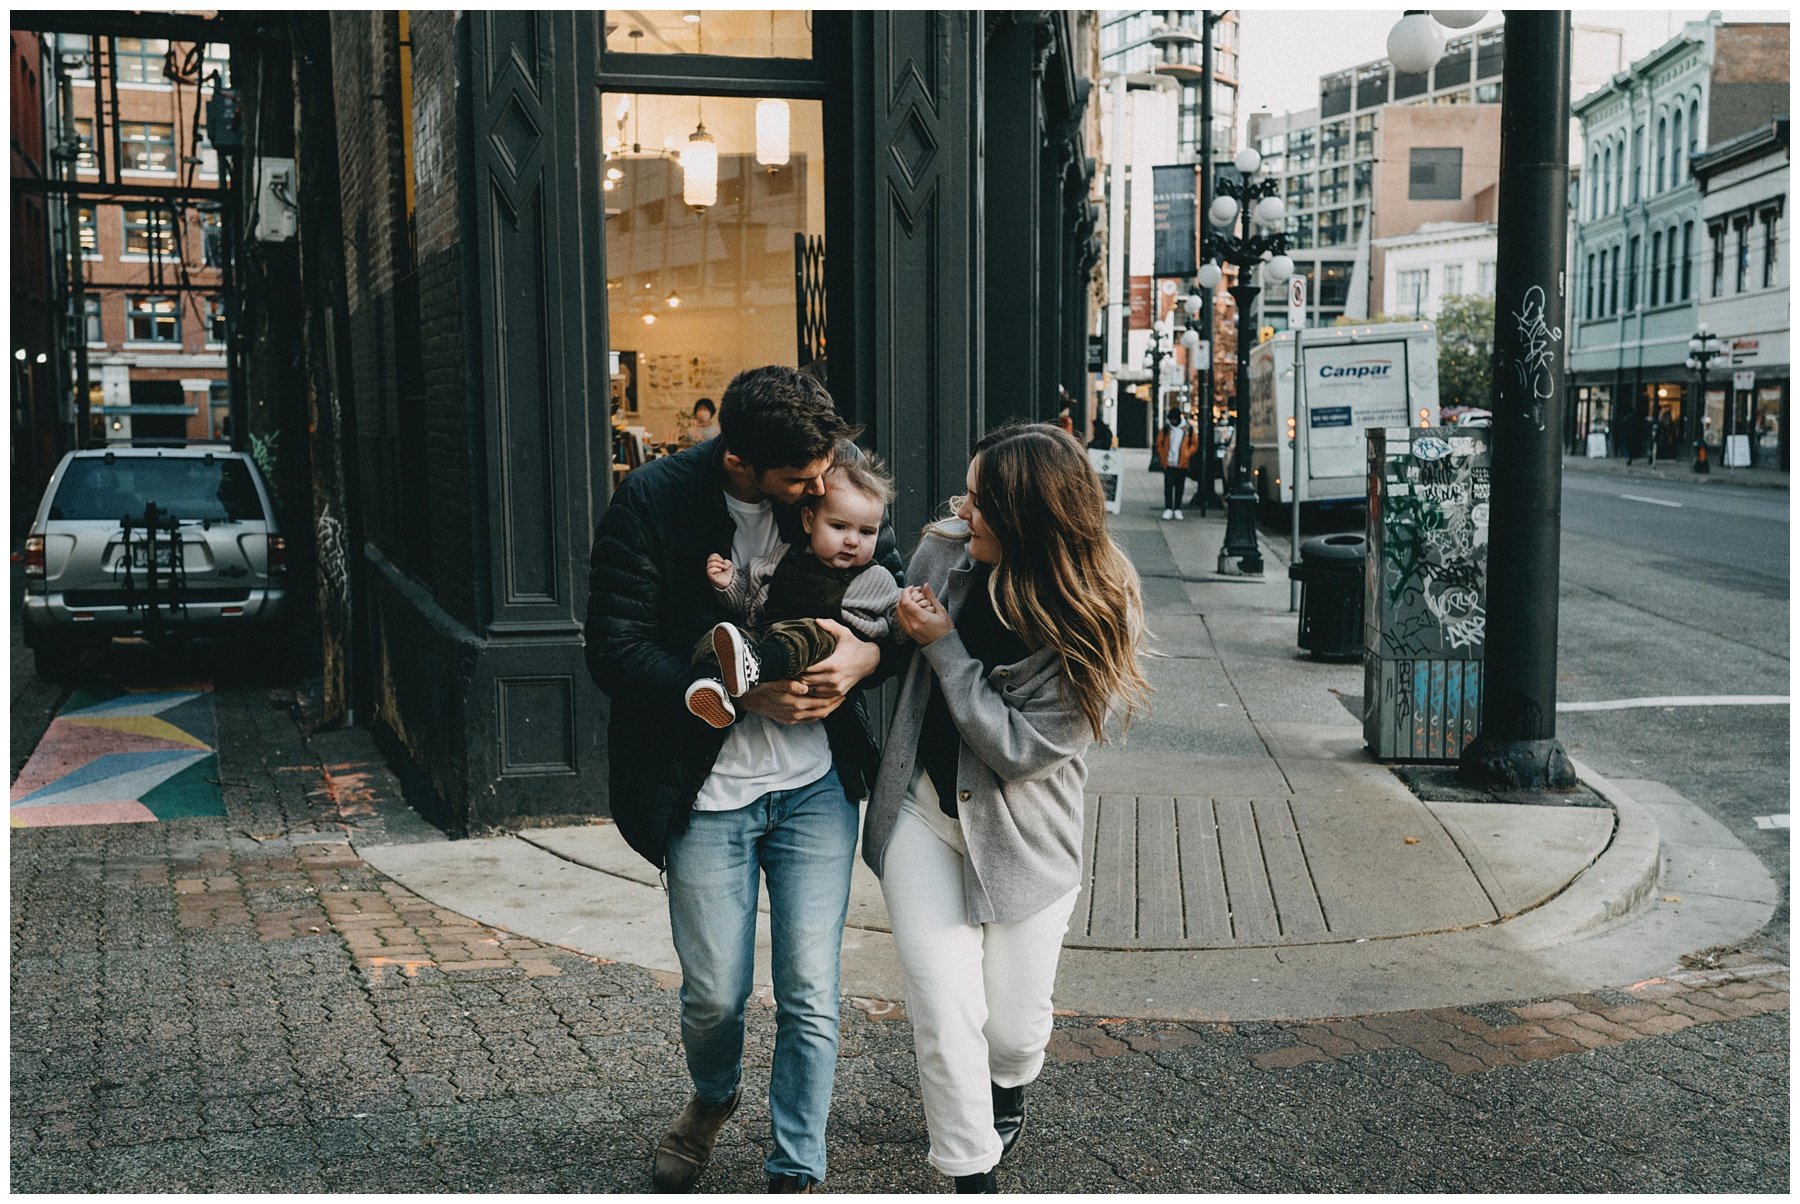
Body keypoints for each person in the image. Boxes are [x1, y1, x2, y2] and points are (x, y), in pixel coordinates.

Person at [584, 365, 903, 1194]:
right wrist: (737, 692)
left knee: (811, 990)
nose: (821, 485)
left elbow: (894, 604)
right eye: (802, 481)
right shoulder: (654, 501)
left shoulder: (836, 472)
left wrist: (866, 656)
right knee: (716, 994)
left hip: (814, 789)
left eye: (826, 467)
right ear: (739, 464)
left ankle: (796, 1166)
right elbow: (613, 650)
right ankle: (713, 1097)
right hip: (705, 792)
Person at [862, 422, 1151, 1194]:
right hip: (923, 811)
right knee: (942, 1001)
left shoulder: (1098, 606)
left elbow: (1020, 750)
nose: (964, 510)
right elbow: (894, 635)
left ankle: (1007, 1084)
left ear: (1032, 516)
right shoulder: (944, 549)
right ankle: (971, 1171)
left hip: (1025, 835)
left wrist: (945, 647)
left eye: (983, 500)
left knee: (1012, 1032)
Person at [687, 452, 902, 728]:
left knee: (810, 632)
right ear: (809, 521)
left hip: (819, 654)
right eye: (839, 527)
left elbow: (896, 622)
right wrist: (728, 584)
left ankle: (753, 666)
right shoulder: (783, 557)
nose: (852, 541)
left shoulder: (874, 577)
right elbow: (751, 597)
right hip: (764, 638)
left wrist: (908, 612)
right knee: (720, 637)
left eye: (866, 532)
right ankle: (712, 686)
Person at [1152, 405, 1199, 520]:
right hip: (1168, 462)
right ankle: (1168, 508)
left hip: (1181, 462)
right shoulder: (1167, 429)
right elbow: (1159, 442)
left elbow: (1194, 443)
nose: (1172, 422)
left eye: (1173, 419)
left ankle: (1177, 508)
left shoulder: (1188, 429)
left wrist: (1187, 453)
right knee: (1168, 486)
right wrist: (1163, 454)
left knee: (1179, 486)